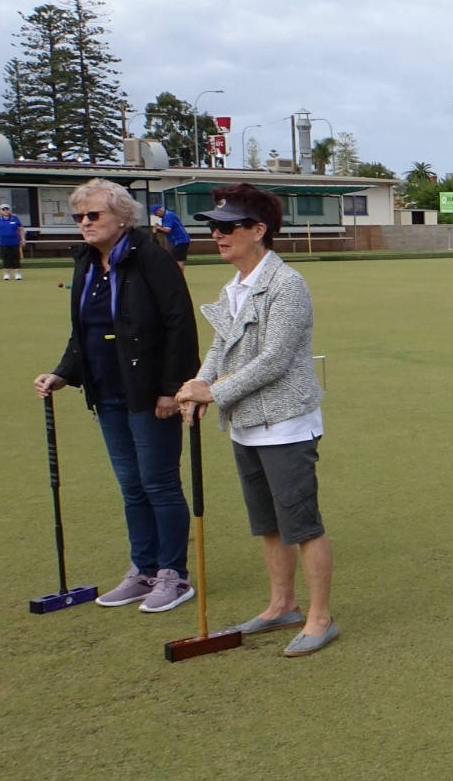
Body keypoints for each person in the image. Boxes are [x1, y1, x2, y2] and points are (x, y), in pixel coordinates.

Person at [175, 183, 339, 656]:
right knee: (267, 523)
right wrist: (196, 386)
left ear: (259, 230)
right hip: (246, 422)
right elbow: (219, 347)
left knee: (302, 525)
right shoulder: (234, 287)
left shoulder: (286, 285)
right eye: (214, 227)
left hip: (285, 422)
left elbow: (275, 359)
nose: (218, 235)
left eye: (228, 227)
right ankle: (281, 604)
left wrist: (215, 391)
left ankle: (319, 617)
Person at [34, 180, 200, 612]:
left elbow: (179, 325)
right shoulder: (87, 263)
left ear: (122, 218)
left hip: (148, 392)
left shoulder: (151, 259)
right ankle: (143, 570)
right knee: (131, 486)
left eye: (93, 216)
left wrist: (171, 389)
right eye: (79, 218)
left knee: (158, 482)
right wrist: (63, 374)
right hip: (106, 390)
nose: (84, 224)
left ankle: (173, 575)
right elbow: (83, 331)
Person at [0, 202, 26, 280]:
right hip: (3, 242)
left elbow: (20, 229)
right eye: (3, 209)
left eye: (7, 209)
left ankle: (17, 273)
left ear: (9, 210)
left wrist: (23, 239)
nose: (5, 210)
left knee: (16, 257)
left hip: (15, 241)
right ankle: (6, 274)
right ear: (1, 211)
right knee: (6, 258)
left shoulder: (15, 218)